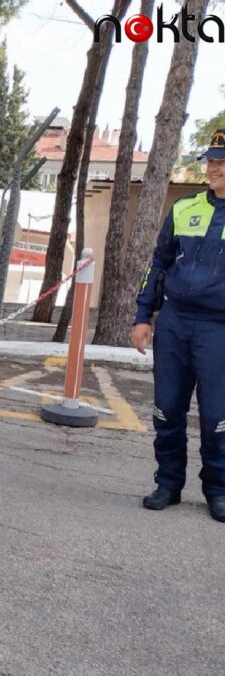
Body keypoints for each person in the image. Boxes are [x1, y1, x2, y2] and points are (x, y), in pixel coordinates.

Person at [131, 127, 225, 523]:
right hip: (174, 322)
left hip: (218, 328)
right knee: (167, 408)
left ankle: (218, 490)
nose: (215, 167)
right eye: (212, 161)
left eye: (222, 161)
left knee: (216, 416)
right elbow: (158, 262)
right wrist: (142, 316)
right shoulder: (185, 208)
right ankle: (168, 484)